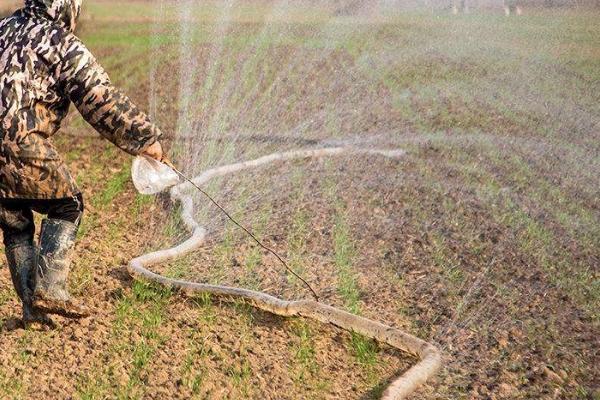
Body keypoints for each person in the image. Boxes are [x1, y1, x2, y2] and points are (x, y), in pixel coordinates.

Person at [0, 0, 167, 328]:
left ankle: (32, 311)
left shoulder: (2, 29)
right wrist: (146, 139)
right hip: (21, 140)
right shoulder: (59, 41)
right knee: (66, 205)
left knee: (15, 224)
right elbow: (100, 98)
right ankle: (50, 290)